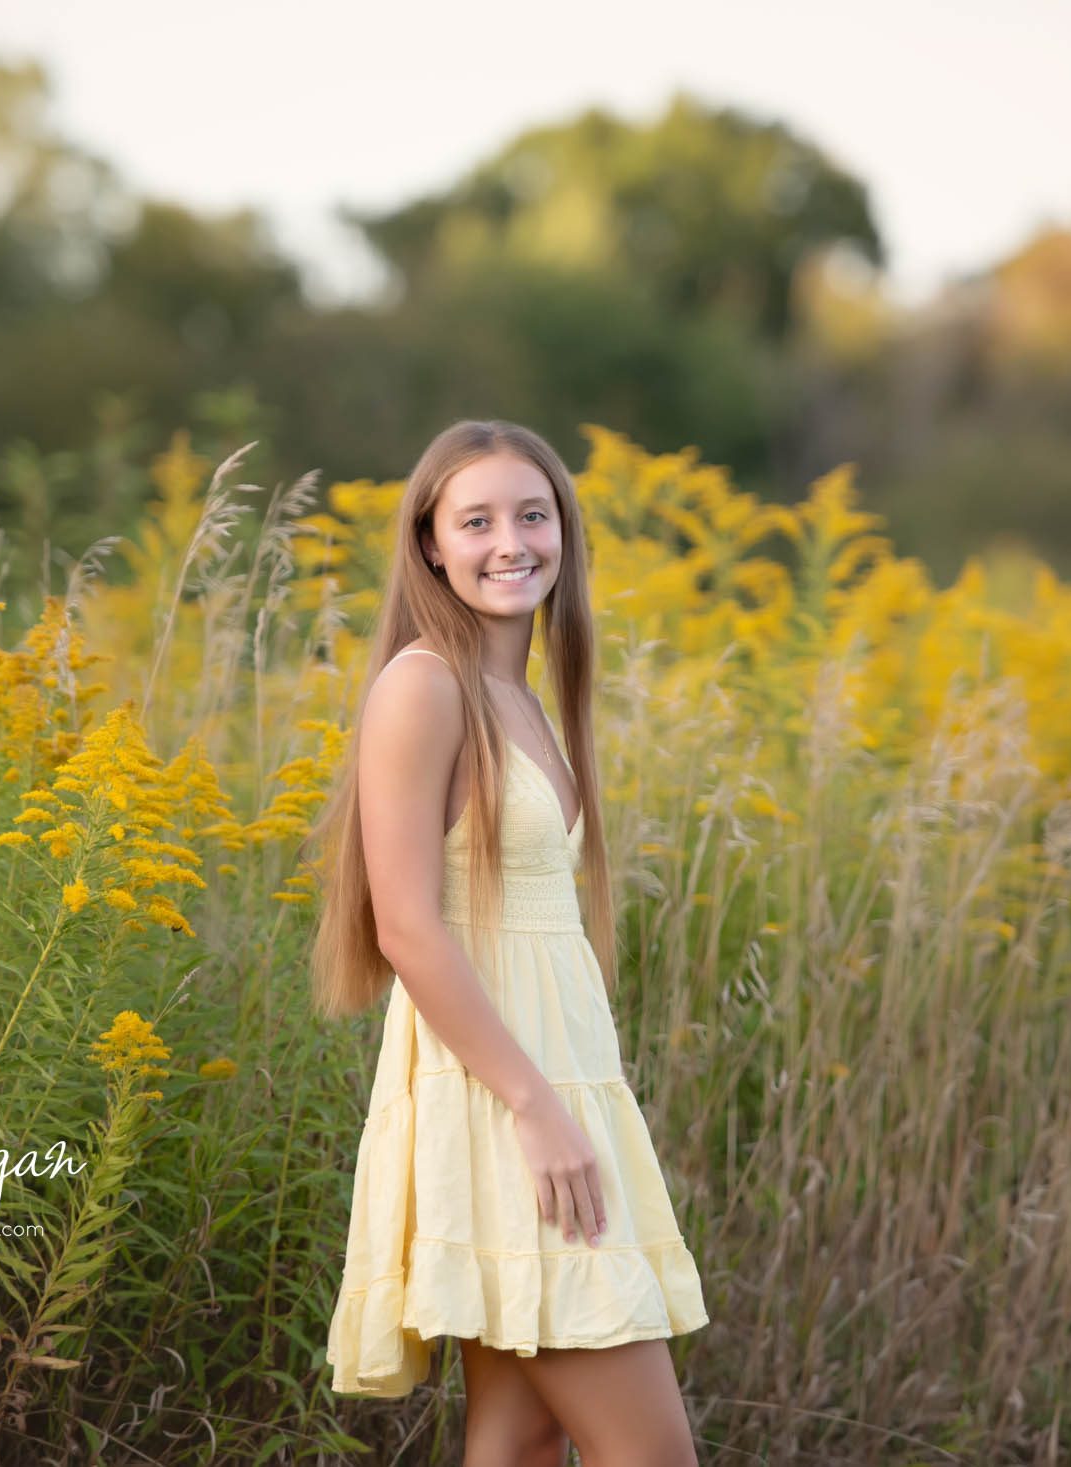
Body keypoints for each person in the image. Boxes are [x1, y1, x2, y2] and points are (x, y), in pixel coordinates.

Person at [309, 419, 709, 1465]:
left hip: (554, 1085)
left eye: (532, 516)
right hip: (503, 1100)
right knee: (653, 1454)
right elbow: (404, 926)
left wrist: (561, 1101)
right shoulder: (423, 685)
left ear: (564, 534)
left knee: (521, 1436)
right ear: (430, 543)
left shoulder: (524, 698)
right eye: (475, 520)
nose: (509, 543)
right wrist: (534, 1109)